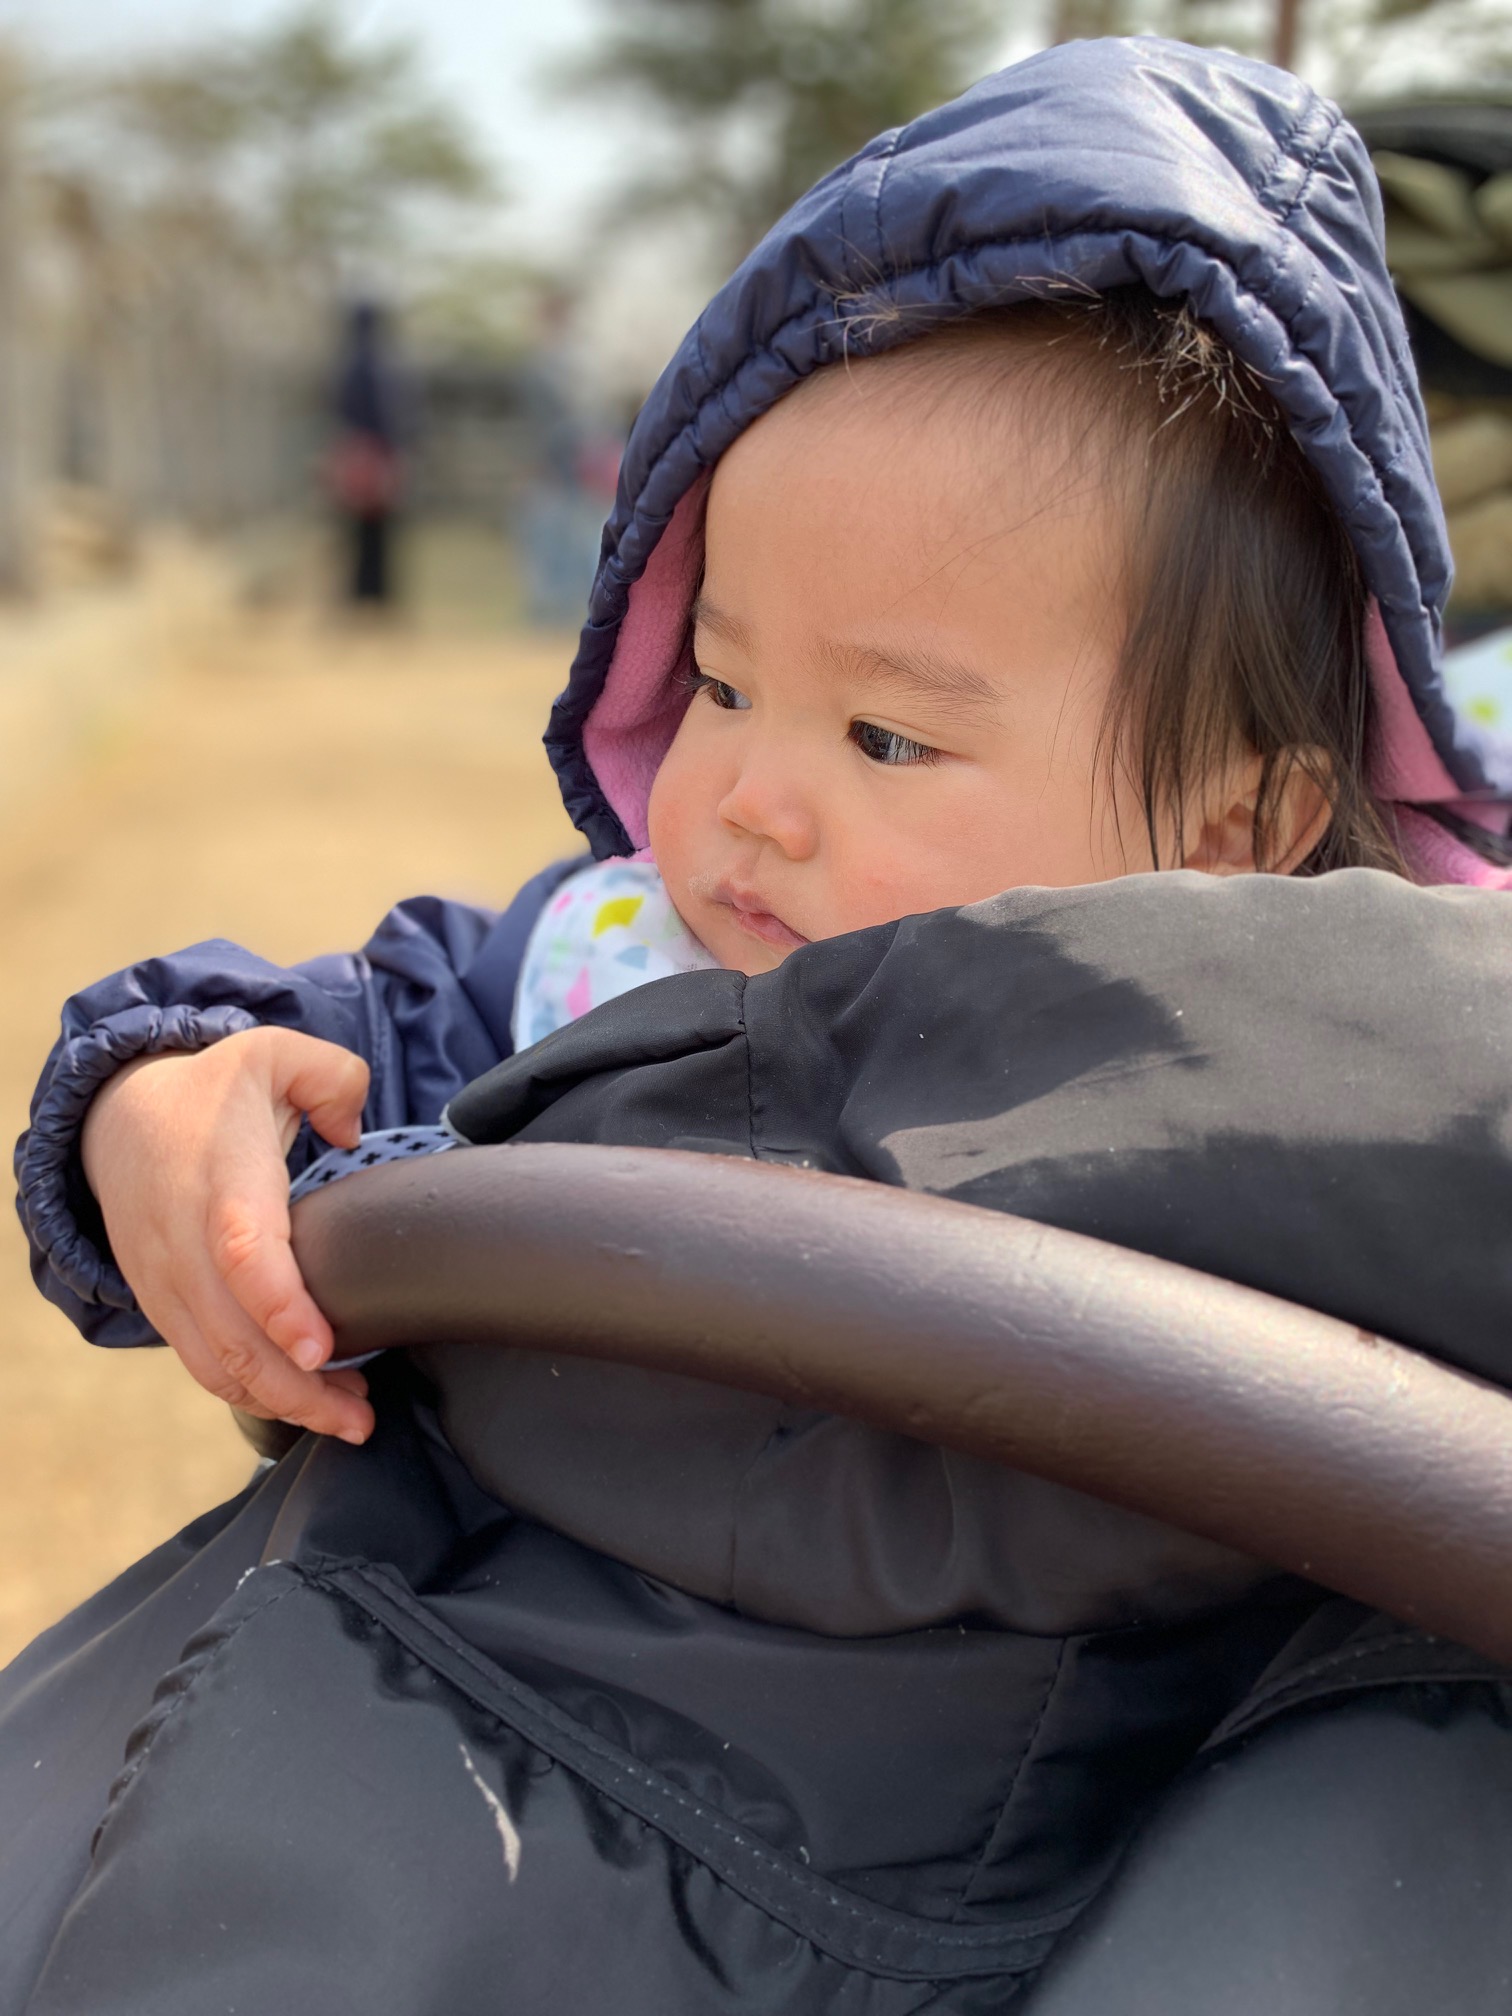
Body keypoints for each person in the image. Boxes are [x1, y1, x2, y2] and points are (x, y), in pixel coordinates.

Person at [10, 39, 1512, 2013]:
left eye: (884, 735)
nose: (746, 802)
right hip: (447, 1748)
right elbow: (313, 1034)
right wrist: (160, 1100)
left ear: (1238, 828)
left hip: (1029, 1872)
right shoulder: (610, 967)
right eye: (721, 686)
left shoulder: (1329, 1070)